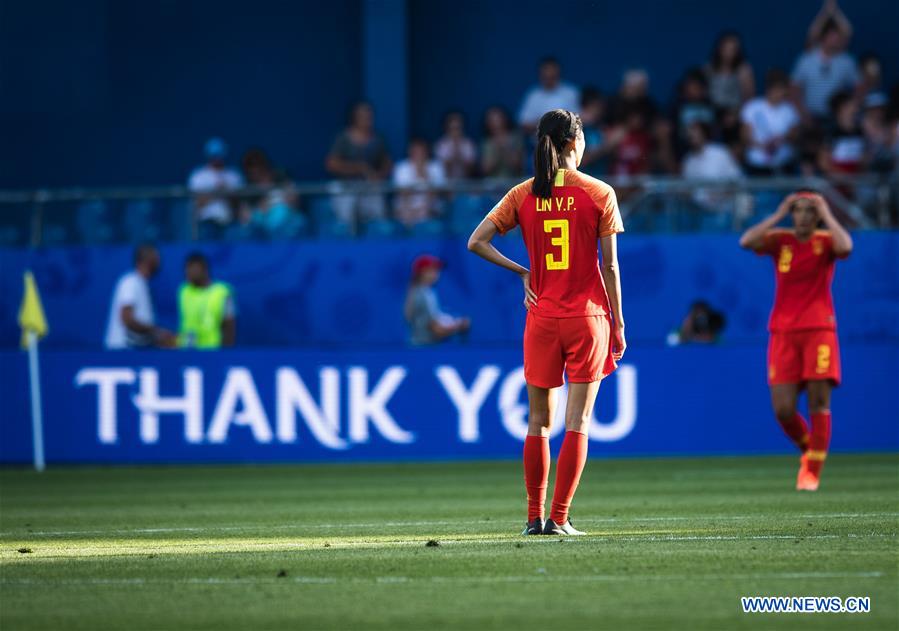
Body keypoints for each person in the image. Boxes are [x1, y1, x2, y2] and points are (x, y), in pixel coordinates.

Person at [468, 109, 625, 536]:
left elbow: (476, 241)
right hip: (587, 317)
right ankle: (559, 518)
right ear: (576, 142)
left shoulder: (523, 194)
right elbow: (609, 267)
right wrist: (620, 322)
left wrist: (522, 272)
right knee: (579, 422)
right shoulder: (599, 192)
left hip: (541, 317)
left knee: (538, 421)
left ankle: (534, 518)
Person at [739, 191, 852, 491]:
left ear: (816, 216)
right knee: (783, 410)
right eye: (798, 210)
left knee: (818, 398)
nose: (802, 216)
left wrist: (827, 212)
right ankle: (810, 451)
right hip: (783, 331)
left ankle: (812, 472)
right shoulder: (781, 240)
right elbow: (746, 241)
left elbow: (846, 247)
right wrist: (778, 213)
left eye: (808, 211)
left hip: (819, 329)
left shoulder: (826, 241)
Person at [325, 101, 392, 226]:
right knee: (347, 219)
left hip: (370, 186)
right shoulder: (343, 137)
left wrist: (377, 176)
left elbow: (387, 164)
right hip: (346, 186)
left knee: (379, 217)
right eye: (363, 116)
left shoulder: (377, 139)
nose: (367, 119)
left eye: (369, 115)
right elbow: (331, 164)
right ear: (354, 117)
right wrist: (359, 168)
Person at [791, 1, 858, 121]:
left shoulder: (846, 61)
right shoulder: (807, 59)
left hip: (837, 119)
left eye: (837, 37)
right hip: (811, 118)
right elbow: (794, 89)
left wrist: (835, 11)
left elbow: (848, 32)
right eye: (832, 36)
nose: (835, 40)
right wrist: (826, 11)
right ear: (823, 37)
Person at [104, 244, 174, 349]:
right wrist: (157, 332)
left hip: (135, 350)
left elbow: (142, 325)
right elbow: (127, 318)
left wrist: (158, 338)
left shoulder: (143, 284)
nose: (159, 262)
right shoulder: (130, 281)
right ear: (148, 260)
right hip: (122, 352)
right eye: (156, 258)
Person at [740, 69, 801, 175]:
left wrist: (781, 140)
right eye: (778, 89)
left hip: (783, 164)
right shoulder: (752, 107)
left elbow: (795, 135)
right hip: (757, 163)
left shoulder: (790, 110)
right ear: (769, 89)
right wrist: (763, 146)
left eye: (783, 89)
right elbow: (745, 136)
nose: (782, 93)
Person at [404, 255, 470, 345]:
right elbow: (437, 330)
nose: (437, 273)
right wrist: (459, 325)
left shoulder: (424, 291)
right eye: (433, 269)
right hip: (423, 349)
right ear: (423, 272)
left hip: (423, 347)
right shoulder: (422, 295)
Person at [188, 138, 244, 240]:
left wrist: (227, 192)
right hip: (208, 223)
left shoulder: (234, 176)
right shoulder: (198, 176)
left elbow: (239, 203)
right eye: (214, 155)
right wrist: (216, 192)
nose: (217, 158)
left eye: (219, 155)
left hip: (230, 222)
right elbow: (197, 203)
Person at [177, 252, 236, 349]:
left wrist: (225, 354)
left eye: (191, 268)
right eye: (186, 269)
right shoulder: (184, 291)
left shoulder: (223, 293)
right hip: (186, 351)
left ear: (204, 269)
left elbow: (230, 326)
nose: (187, 272)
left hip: (212, 351)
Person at [393, 138, 447, 227]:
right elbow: (403, 193)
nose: (419, 155)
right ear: (410, 152)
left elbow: (436, 193)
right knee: (404, 212)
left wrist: (423, 173)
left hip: (431, 210)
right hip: (407, 210)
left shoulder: (435, 167)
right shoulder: (402, 167)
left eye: (421, 152)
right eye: (416, 152)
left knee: (429, 212)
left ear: (426, 152)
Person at [518, 58, 580, 134]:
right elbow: (523, 123)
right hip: (540, 142)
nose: (549, 79)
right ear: (540, 75)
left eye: (552, 76)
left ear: (558, 73)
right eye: (546, 76)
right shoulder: (533, 95)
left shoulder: (571, 92)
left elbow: (580, 119)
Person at [705, 32, 755, 113]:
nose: (728, 53)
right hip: (712, 114)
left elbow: (749, 96)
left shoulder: (744, 70)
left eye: (732, 49)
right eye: (725, 49)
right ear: (719, 49)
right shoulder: (708, 69)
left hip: (736, 113)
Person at [481, 107, 526, 178]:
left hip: (513, 182)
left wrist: (506, 148)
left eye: (498, 119)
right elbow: (485, 170)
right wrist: (498, 149)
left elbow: (518, 166)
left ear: (505, 119)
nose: (495, 123)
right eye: (491, 120)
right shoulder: (486, 142)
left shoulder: (515, 138)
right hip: (492, 184)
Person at [434, 111, 477, 179]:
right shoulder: (441, 144)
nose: (455, 132)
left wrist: (459, 152)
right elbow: (442, 170)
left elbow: (471, 171)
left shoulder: (468, 144)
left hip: (465, 183)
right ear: (446, 128)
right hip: (446, 183)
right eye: (452, 129)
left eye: (457, 128)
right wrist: (454, 151)